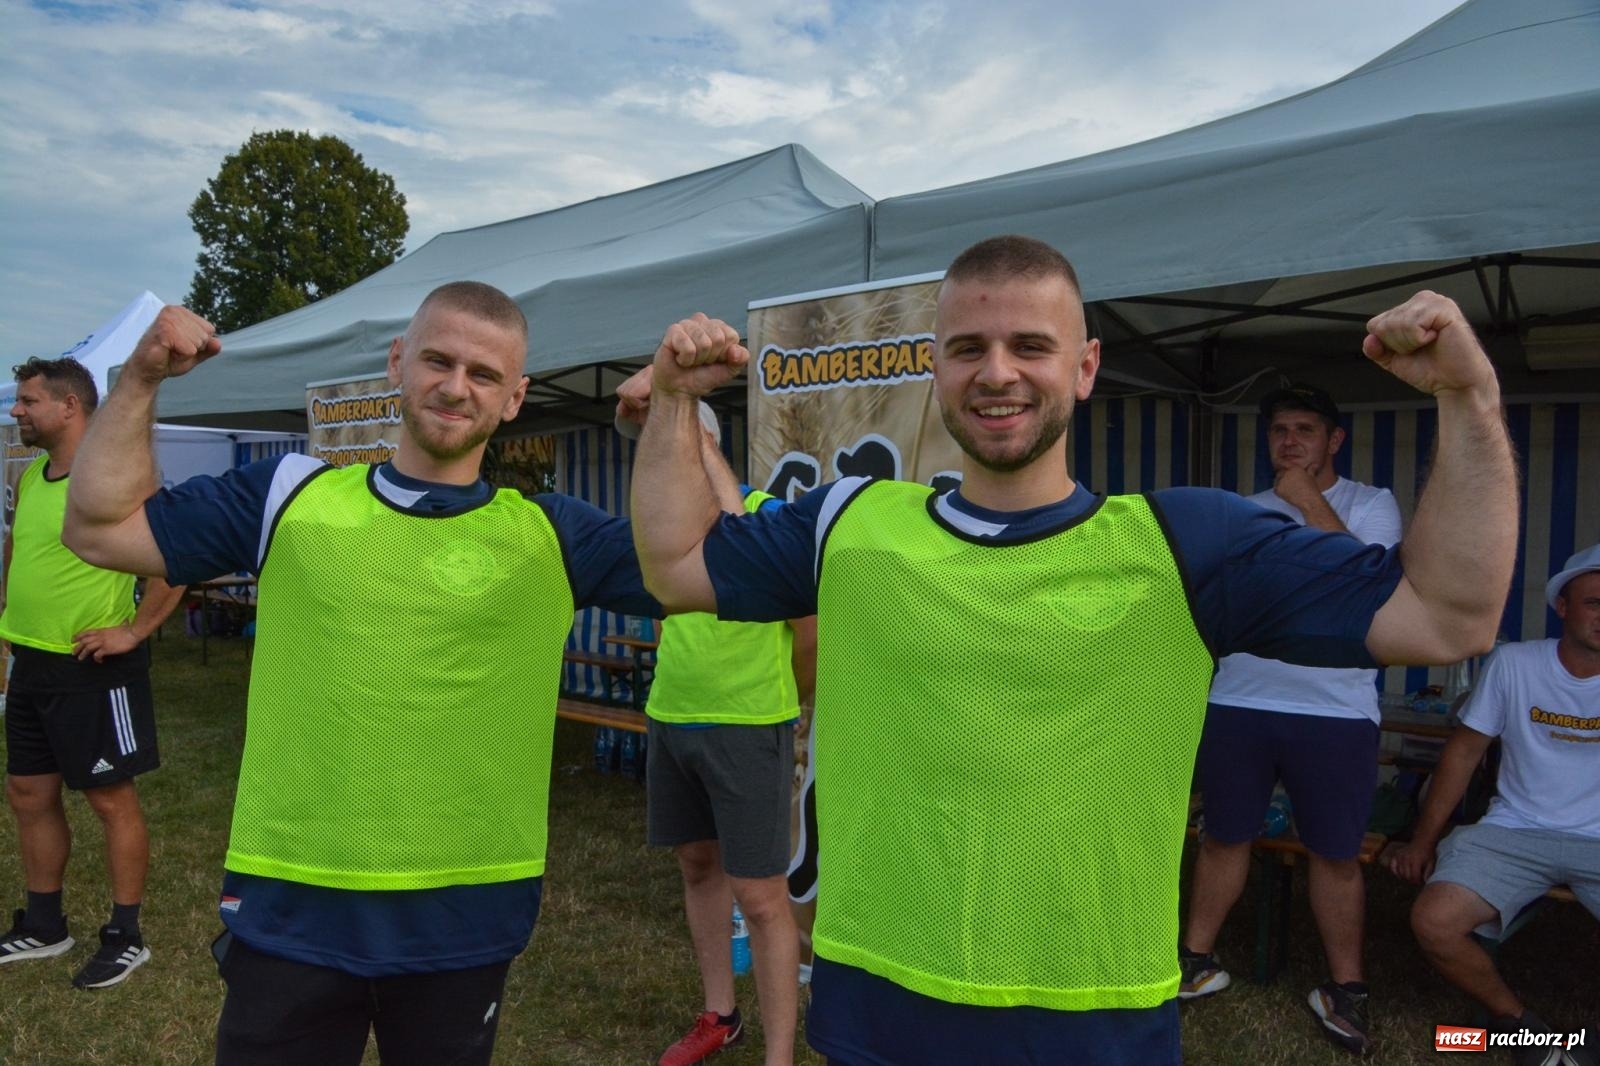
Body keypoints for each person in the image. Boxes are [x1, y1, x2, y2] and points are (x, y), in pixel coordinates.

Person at [620, 235, 1518, 1065]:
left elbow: (1449, 616)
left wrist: (1468, 397)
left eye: (1031, 346)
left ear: (1085, 366)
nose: (997, 372)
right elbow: (676, 564)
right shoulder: (849, 520)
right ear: (935, 369)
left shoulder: (1186, 541)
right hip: (876, 997)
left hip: (1092, 1017)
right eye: (967, 347)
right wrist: (671, 402)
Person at [59, 283, 667, 1065]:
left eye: (484, 374)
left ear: (515, 398)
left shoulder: (552, 531)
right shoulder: (288, 495)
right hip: (293, 899)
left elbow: (706, 564)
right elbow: (100, 528)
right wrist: (139, 381)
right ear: (397, 364)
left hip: (466, 908)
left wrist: (678, 421)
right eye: (438, 361)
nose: (455, 387)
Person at [1180, 384, 1403, 1054]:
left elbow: (1364, 586)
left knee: (1335, 853)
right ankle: (1195, 960)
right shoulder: (1243, 513)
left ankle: (1347, 988)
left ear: (1334, 439)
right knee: (1224, 836)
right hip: (1241, 698)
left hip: (1334, 707)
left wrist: (1309, 503)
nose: (1290, 441)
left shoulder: (1374, 504)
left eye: (1305, 428)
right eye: (1280, 429)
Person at [617, 396, 817, 1066]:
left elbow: (808, 635)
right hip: (673, 716)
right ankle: (721, 1016)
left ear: (703, 442)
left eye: (667, 442)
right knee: (697, 865)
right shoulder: (659, 531)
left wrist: (687, 430)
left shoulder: (765, 518)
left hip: (749, 727)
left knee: (761, 898)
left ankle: (779, 1056)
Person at [0, 356, 186, 990]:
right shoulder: (30, 479)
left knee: (110, 800)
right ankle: (46, 925)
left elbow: (176, 559)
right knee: (28, 795)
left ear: (69, 406)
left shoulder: (118, 477)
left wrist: (133, 630)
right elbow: (17, 550)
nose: (16, 411)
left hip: (93, 667)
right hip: (30, 662)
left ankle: (126, 936)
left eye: (27, 401)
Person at [1386, 544, 1600, 1066]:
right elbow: (1462, 755)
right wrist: (1422, 839)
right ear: (1563, 607)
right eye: (1594, 602)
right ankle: (1530, 1034)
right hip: (1514, 830)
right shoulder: (1515, 663)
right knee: (1435, 920)